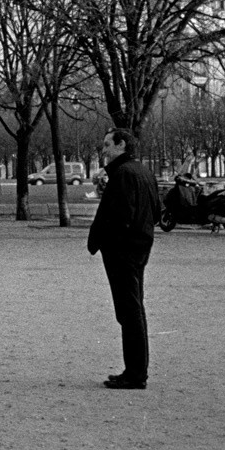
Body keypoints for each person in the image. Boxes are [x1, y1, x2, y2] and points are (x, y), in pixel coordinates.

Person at [88, 127, 159, 390]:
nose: (104, 149)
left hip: (124, 251)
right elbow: (156, 211)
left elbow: (118, 216)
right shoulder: (142, 172)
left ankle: (135, 373)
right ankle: (134, 370)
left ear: (121, 145)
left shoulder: (123, 174)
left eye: (108, 144)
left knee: (129, 311)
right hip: (139, 246)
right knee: (133, 309)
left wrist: (103, 241)